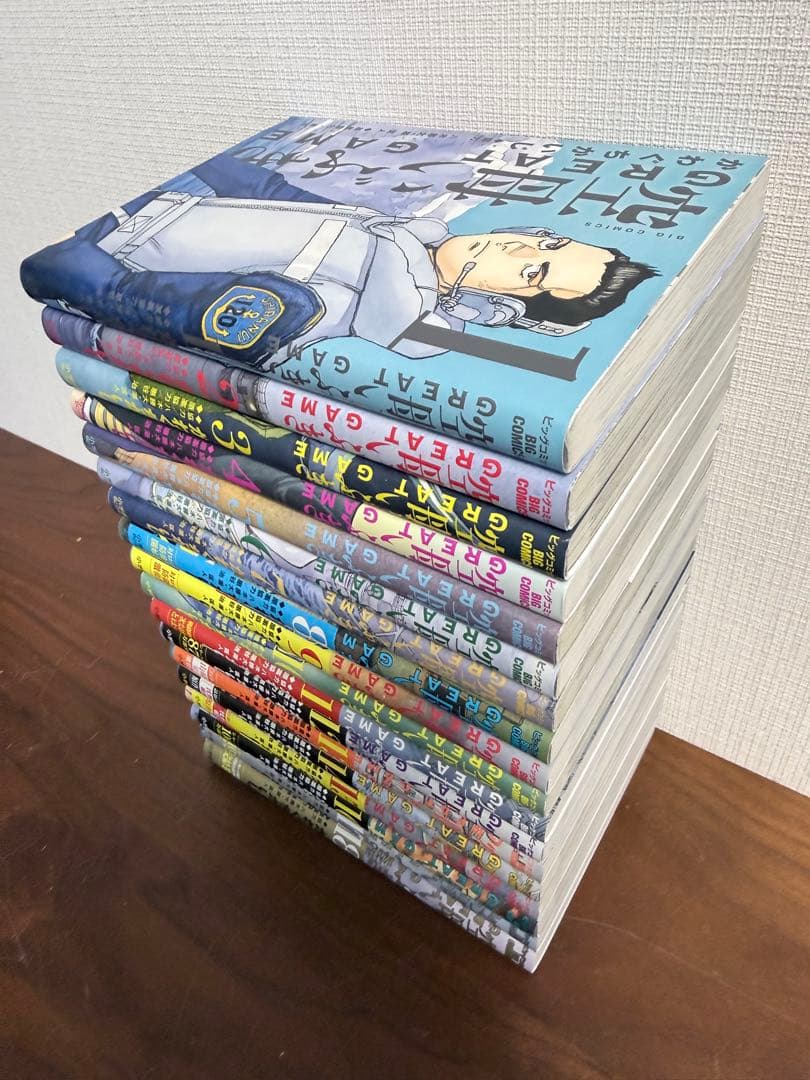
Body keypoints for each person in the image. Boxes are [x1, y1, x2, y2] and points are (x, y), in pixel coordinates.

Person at [21, 150, 657, 371]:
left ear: (506, 307)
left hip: (102, 254)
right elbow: (274, 191)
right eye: (547, 242)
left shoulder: (351, 303)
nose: (518, 247)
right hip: (139, 212)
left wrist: (74, 265)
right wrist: (208, 167)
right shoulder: (393, 230)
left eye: (534, 271)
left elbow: (141, 302)